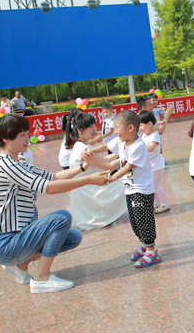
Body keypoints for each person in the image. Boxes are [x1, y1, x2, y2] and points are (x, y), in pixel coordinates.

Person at [0, 114, 116, 293]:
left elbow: (54, 176)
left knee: (73, 237)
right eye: (22, 135)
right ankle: (41, 278)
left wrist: (84, 168)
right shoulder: (7, 165)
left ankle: (22, 262)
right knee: (61, 218)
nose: (27, 138)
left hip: (16, 237)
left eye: (26, 133)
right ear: (6, 138)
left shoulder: (17, 162)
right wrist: (89, 180)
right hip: (3, 243)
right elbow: (50, 188)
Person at [82, 110, 162, 268]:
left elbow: (127, 167)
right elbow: (106, 145)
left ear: (130, 128)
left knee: (144, 220)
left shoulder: (138, 146)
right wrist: (91, 150)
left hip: (142, 191)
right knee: (135, 221)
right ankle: (145, 246)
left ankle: (152, 252)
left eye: (117, 127)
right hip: (130, 189)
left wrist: (113, 177)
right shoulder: (121, 142)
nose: (115, 131)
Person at [66, 112, 127, 230]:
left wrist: (121, 152)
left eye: (94, 125)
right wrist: (128, 158)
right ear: (79, 130)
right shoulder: (84, 149)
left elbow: (102, 161)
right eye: (90, 126)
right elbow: (107, 165)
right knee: (125, 181)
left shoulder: (80, 145)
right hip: (90, 188)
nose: (94, 129)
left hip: (85, 187)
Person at [139, 110, 169, 213]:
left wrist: (140, 143)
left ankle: (164, 203)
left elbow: (151, 148)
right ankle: (156, 202)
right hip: (149, 165)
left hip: (156, 164)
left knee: (156, 185)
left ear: (150, 124)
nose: (140, 129)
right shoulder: (145, 135)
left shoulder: (154, 135)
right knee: (152, 185)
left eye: (141, 126)